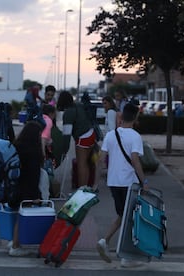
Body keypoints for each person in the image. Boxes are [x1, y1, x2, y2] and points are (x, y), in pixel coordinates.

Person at [96, 103, 149, 266]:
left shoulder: (111, 135)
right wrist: (144, 181)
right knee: (130, 218)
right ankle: (127, 257)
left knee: (123, 215)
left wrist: (95, 183)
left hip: (113, 182)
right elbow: (135, 160)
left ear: (122, 116)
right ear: (135, 117)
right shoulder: (135, 136)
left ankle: (105, 241)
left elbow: (100, 159)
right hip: (129, 183)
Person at [9, 121, 44, 257]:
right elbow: (34, 175)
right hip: (27, 188)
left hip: (15, 186)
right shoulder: (33, 152)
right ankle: (15, 246)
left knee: (17, 213)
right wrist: (36, 195)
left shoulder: (17, 146)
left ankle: (13, 241)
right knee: (22, 216)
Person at [56, 91, 96, 189]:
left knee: (81, 164)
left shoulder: (68, 113)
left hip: (82, 137)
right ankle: (86, 187)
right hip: (91, 133)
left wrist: (64, 150)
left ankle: (81, 189)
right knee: (86, 163)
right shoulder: (79, 105)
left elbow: (67, 134)